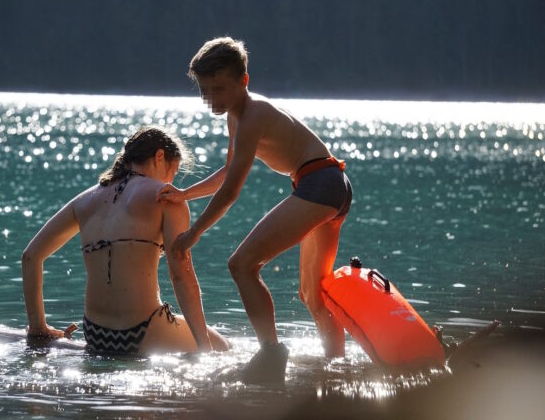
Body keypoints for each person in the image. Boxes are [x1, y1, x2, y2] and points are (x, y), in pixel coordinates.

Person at [157, 37, 352, 382]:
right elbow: (227, 173)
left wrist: (192, 234)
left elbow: (232, 191)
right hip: (331, 185)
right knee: (310, 293)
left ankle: (271, 355)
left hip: (321, 185)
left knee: (242, 265)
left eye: (219, 89)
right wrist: (184, 194)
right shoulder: (237, 117)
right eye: (204, 91)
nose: (211, 99)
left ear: (244, 81)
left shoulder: (254, 116)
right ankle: (337, 369)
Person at [22, 127, 230, 355]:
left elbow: (31, 256)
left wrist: (38, 327)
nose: (172, 181)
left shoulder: (84, 200)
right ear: (160, 156)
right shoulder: (167, 198)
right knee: (224, 347)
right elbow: (181, 274)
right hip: (144, 330)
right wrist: (204, 348)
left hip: (95, 334)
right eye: (174, 171)